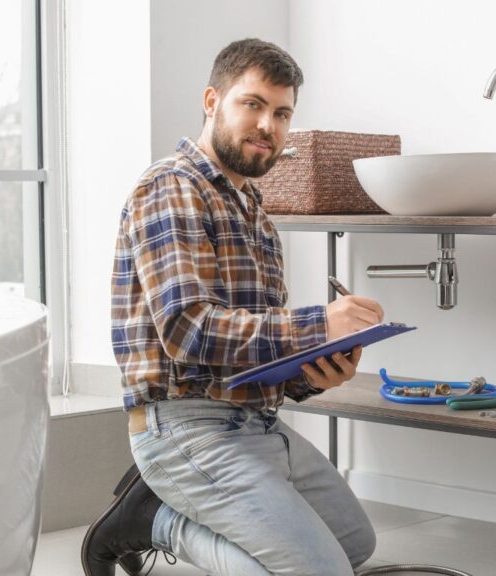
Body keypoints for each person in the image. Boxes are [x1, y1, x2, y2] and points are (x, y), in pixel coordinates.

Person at [81, 38, 385, 576]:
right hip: (183, 427)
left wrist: (319, 369)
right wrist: (317, 323)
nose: (269, 124)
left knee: (356, 544)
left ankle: (169, 511)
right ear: (211, 101)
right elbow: (187, 329)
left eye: (282, 112)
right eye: (253, 104)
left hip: (255, 423)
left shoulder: (257, 218)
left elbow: (264, 362)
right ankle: (155, 520)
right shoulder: (172, 188)